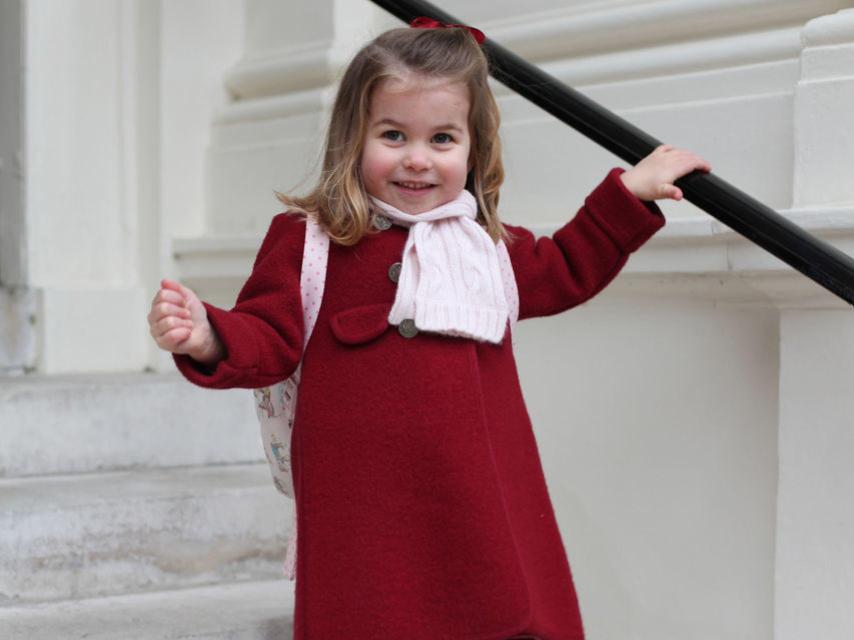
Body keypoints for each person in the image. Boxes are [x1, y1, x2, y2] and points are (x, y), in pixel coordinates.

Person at [148, 19, 710, 640]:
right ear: (352, 139)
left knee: (496, 610)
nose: (417, 159)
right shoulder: (310, 241)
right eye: (393, 135)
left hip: (474, 499)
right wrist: (208, 335)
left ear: (473, 150)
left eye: (442, 138)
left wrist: (628, 193)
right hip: (364, 510)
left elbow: (564, 269)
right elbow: (268, 336)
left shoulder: (485, 247)